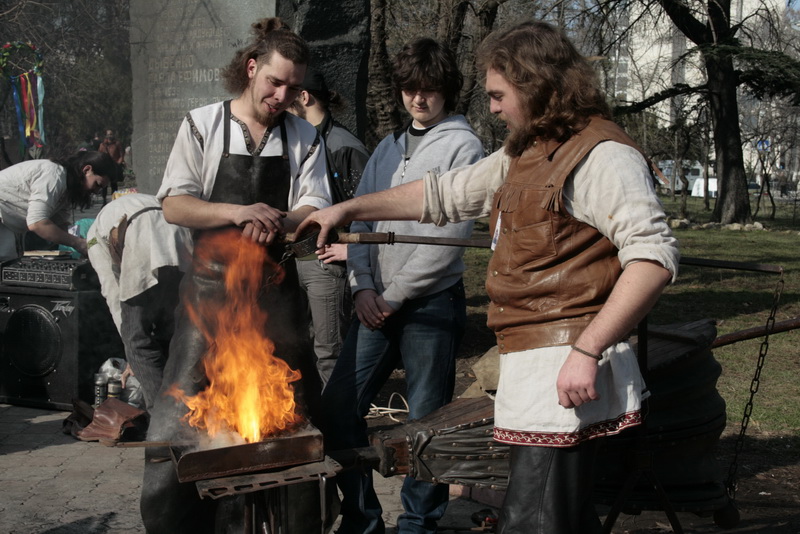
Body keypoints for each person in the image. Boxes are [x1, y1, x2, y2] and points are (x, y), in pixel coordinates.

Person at [298, 21, 680, 534]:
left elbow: (653, 258)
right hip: (533, 369)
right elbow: (443, 194)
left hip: (562, 370)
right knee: (559, 517)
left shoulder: (602, 155)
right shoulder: (527, 151)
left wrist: (587, 350)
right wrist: (348, 208)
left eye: (499, 95)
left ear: (534, 84)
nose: (493, 108)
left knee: (533, 522)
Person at [141, 18, 331, 534]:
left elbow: (314, 207)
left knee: (291, 425)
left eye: (293, 87)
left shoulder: (305, 136)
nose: (282, 95)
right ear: (251, 69)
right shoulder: (202, 124)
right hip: (207, 303)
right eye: (274, 81)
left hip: (275, 306)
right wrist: (237, 211)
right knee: (173, 427)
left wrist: (279, 220)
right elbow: (175, 205)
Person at [320, 38, 484, 534]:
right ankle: (364, 520)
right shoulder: (387, 147)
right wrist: (362, 287)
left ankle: (417, 526)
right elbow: (360, 223)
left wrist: (395, 295)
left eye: (429, 89)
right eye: (410, 88)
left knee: (427, 425)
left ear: (446, 90)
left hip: (430, 303)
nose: (418, 98)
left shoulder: (464, 145)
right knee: (337, 408)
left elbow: (450, 239)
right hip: (374, 302)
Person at [288, 67, 370, 387]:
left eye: (289, 94)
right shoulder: (295, 140)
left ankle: (338, 413)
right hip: (295, 260)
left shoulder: (343, 146)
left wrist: (353, 250)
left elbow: (369, 207)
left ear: (303, 96)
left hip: (326, 265)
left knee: (330, 352)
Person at [87, 193, 193, 411]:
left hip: (142, 237)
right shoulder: (137, 201)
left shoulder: (92, 238)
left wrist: (131, 353)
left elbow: (112, 291)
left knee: (138, 342)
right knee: (172, 335)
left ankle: (161, 417)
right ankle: (186, 407)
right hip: (181, 242)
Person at [0, 151, 112, 261]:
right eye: (97, 184)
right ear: (87, 170)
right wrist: (78, 243)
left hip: (9, 225)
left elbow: (59, 225)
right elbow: (37, 223)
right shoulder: (54, 175)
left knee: (9, 261)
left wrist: (89, 243)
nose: (96, 191)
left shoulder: (66, 188)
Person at [98, 128, 125, 202]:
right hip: (105, 166)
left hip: (114, 166)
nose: (110, 136)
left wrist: (118, 163)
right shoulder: (102, 145)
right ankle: (104, 200)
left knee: (114, 184)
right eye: (108, 134)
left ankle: (114, 200)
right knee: (104, 184)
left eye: (111, 134)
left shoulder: (117, 144)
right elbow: (99, 155)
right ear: (106, 135)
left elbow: (121, 155)